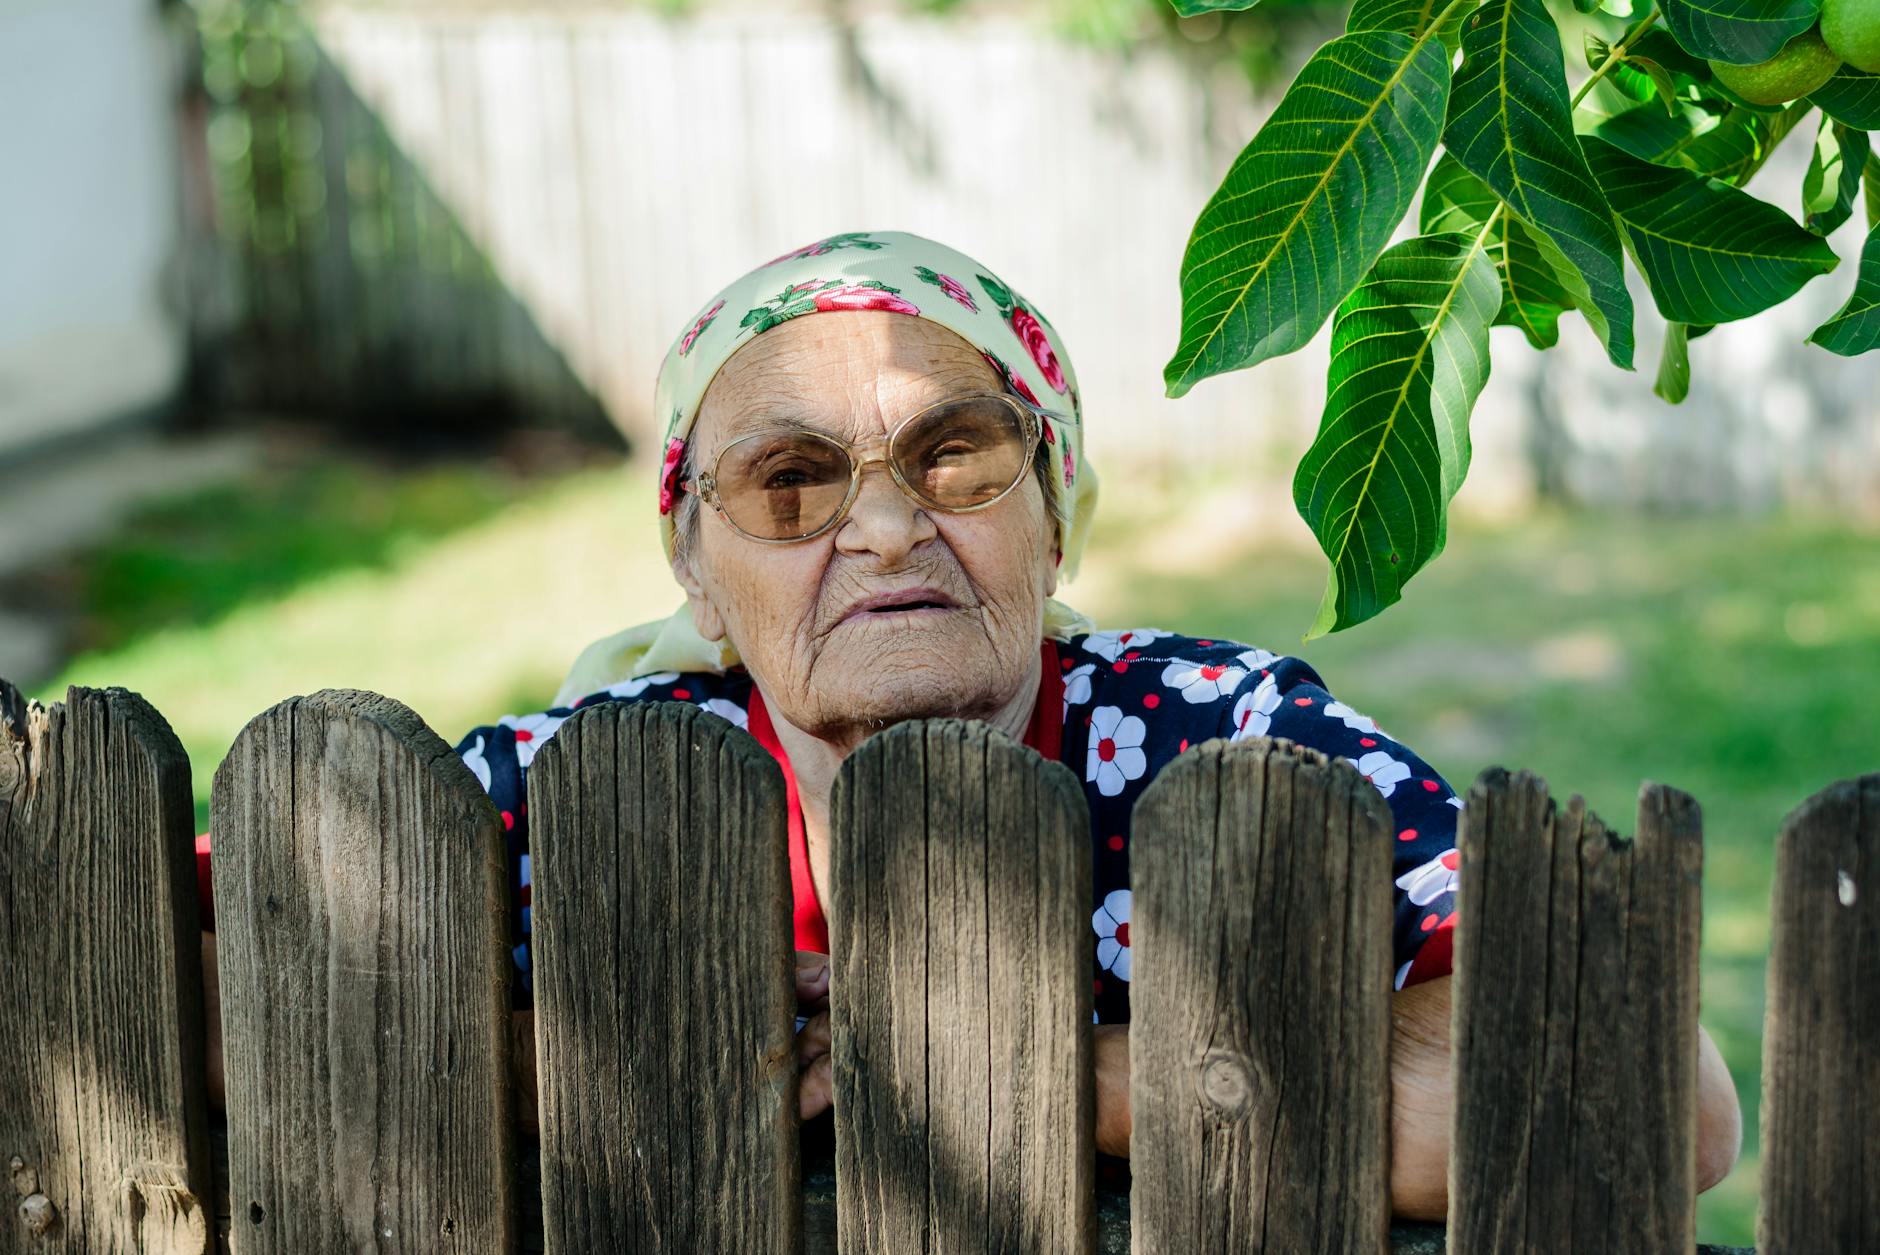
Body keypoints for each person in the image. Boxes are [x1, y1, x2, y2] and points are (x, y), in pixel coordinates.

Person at [202, 231, 1741, 1215]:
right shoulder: (578, 785)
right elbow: (182, 958)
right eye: (790, 482)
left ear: (1056, 512)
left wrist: (1009, 1068)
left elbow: (1655, 1099)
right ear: (699, 566)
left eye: (955, 459)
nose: (881, 532)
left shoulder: (1225, 734)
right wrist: (582, 1055)